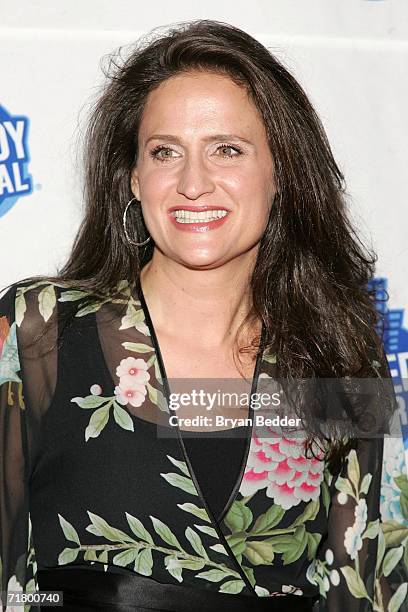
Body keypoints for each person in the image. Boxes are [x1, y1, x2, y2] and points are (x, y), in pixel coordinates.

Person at [0, 19, 407, 612]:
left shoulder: (338, 357)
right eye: (166, 152)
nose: (194, 183)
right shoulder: (41, 331)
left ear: (281, 174)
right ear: (134, 180)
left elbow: (372, 585)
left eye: (227, 149)